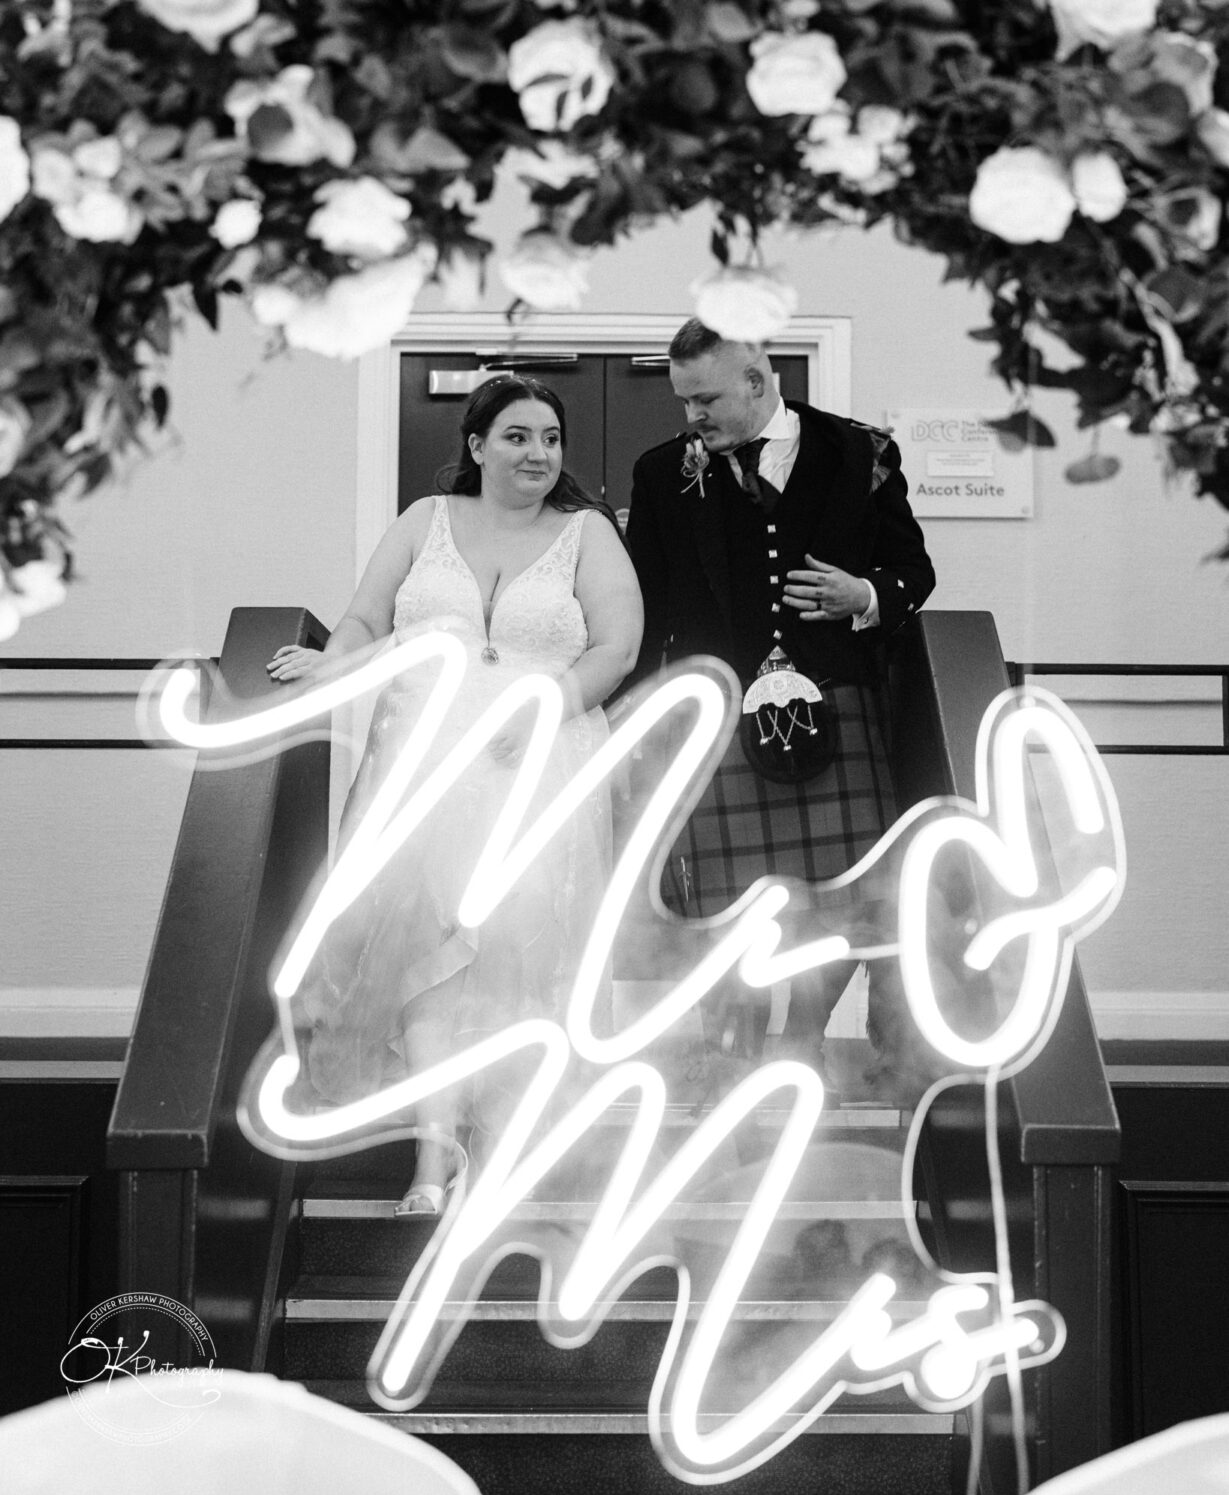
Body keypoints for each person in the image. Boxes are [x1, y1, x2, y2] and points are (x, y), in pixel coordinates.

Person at [268, 375, 643, 1213]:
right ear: (476, 446)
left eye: (550, 438)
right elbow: (367, 620)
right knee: (424, 966)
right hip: (422, 762)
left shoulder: (587, 534)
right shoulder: (422, 523)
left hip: (536, 765)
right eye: (516, 436)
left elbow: (617, 648)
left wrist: (550, 708)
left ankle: (506, 1155)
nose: (538, 453)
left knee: (516, 965)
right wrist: (331, 664)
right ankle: (431, 1169)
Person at [624, 319, 936, 1105]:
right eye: (683, 399)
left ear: (758, 381)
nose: (690, 415)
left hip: (838, 703)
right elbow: (647, 601)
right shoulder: (662, 473)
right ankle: (730, 1049)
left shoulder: (859, 453)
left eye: (705, 398)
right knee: (730, 897)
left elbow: (911, 569)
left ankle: (802, 1038)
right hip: (720, 712)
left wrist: (861, 596)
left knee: (843, 893)